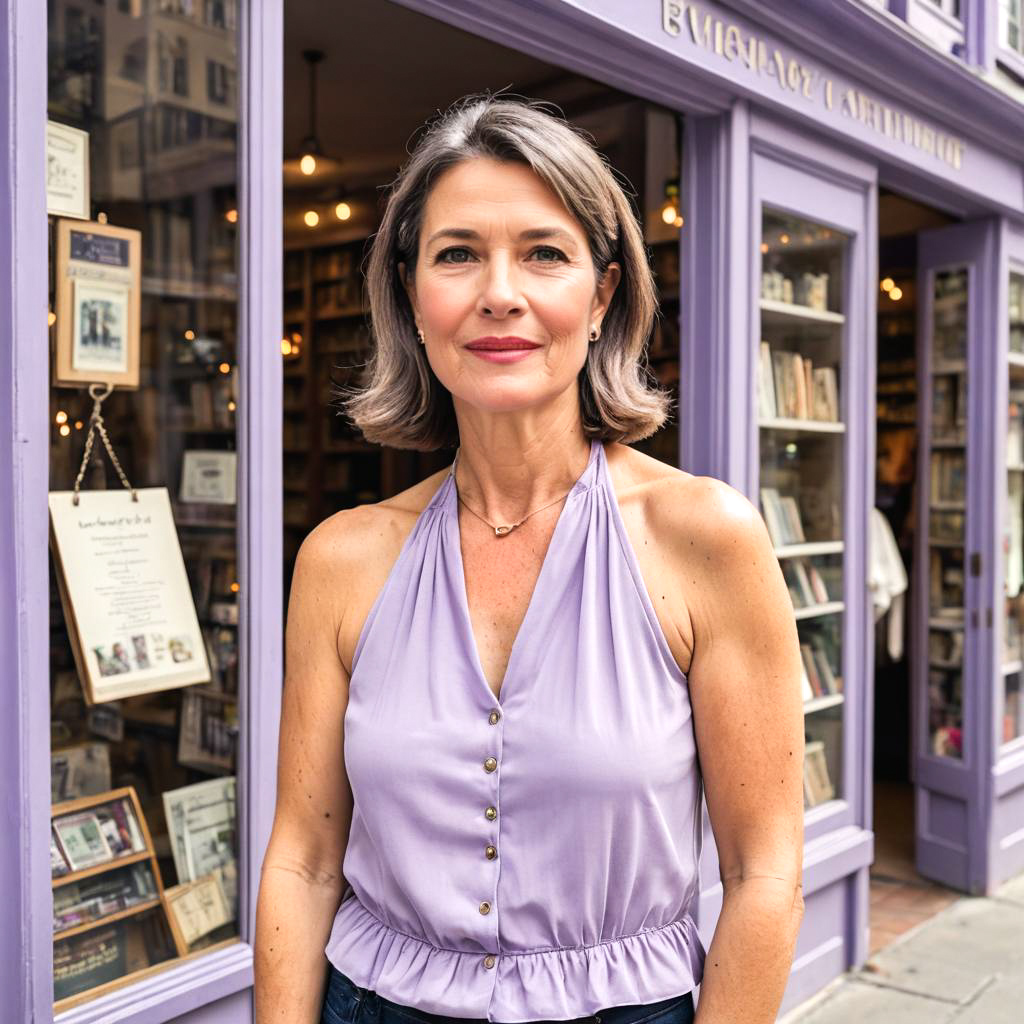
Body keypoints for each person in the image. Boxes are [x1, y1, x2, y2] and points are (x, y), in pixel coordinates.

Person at [254, 92, 805, 1024]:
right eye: (457, 253)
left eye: (544, 253)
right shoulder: (343, 558)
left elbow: (764, 871)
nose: (498, 292)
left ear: (601, 298)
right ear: (413, 298)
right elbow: (303, 864)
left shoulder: (704, 538)